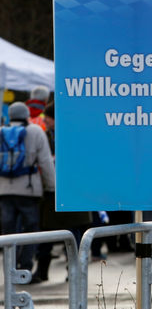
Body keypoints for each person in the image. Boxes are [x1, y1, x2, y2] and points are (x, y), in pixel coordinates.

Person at [33, 102, 92, 283]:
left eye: (48, 119)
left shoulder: (62, 137)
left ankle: (71, 271)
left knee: (67, 234)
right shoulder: (67, 135)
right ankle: (48, 271)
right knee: (54, 233)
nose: (46, 122)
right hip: (67, 192)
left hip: (66, 192)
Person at [0, 102, 55, 271]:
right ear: (26, 116)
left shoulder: (1, 132)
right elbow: (45, 162)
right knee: (31, 229)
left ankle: (10, 267)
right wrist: (51, 187)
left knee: (8, 231)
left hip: (4, 191)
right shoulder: (36, 131)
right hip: (29, 190)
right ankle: (26, 265)